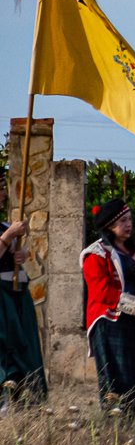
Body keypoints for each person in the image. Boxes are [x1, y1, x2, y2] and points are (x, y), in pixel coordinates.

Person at [81, 198, 135, 421]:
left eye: (129, 219)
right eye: (123, 220)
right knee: (119, 385)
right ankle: (116, 436)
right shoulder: (94, 254)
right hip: (111, 325)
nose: (129, 224)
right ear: (109, 226)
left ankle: (133, 431)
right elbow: (101, 293)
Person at [0, 171, 47, 410]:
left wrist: (20, 251)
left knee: (24, 344)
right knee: (5, 345)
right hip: (1, 297)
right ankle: (5, 397)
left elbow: (17, 255)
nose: (4, 194)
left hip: (17, 292)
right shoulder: (6, 230)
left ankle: (25, 397)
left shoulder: (4, 226)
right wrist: (8, 237)